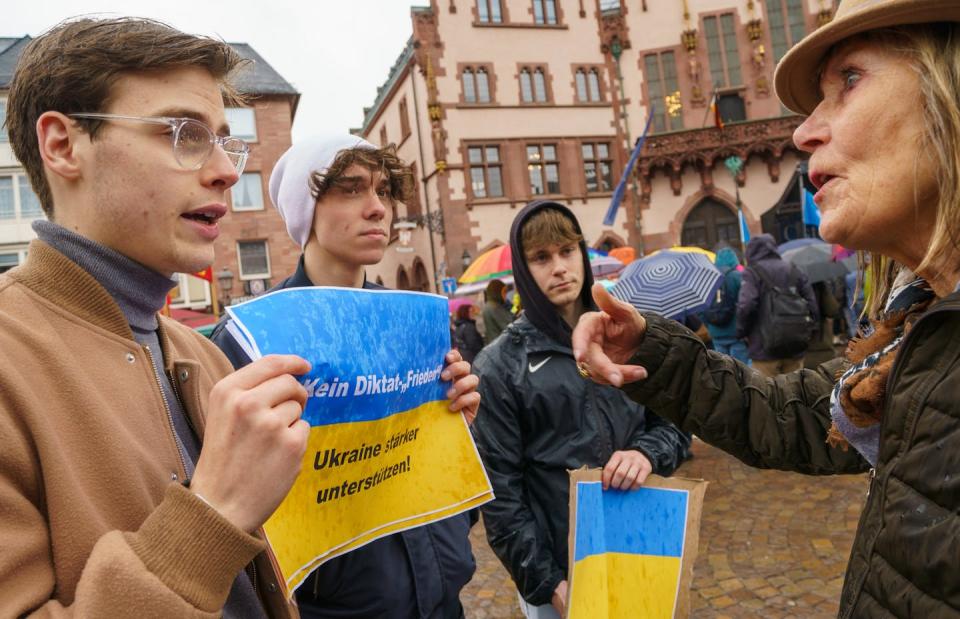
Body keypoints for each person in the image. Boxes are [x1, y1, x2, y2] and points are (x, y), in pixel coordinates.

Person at [571, 2, 960, 616]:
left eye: (849, 81)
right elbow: (803, 417)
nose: (803, 132)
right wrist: (649, 346)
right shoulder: (919, 327)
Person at [0, 17, 309, 616]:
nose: (226, 169)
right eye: (185, 134)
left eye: (226, 140)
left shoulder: (201, 353)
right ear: (63, 145)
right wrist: (212, 513)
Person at [211, 134, 480, 619]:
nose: (378, 208)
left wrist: (456, 429)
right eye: (352, 190)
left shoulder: (412, 321)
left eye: (382, 190)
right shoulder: (253, 337)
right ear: (307, 210)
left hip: (442, 599)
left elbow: (439, 483)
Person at [471, 201, 690, 619]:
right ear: (523, 268)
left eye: (567, 251)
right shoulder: (501, 365)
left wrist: (645, 453)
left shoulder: (623, 334)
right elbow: (500, 494)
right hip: (562, 569)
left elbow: (674, 423)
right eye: (541, 257)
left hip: (639, 543)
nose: (559, 268)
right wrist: (549, 584)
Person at [736, 234, 818, 376]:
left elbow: (746, 304)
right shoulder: (794, 269)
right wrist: (809, 330)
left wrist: (741, 331)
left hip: (763, 347)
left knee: (767, 394)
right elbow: (812, 304)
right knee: (796, 391)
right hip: (795, 344)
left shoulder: (752, 272)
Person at [703, 246, 748, 363]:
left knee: (723, 370)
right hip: (736, 332)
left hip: (716, 333)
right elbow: (746, 303)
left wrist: (708, 325)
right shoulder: (737, 277)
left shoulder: (708, 278)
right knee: (740, 370)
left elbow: (701, 307)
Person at [481, 278, 513, 345]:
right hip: (501, 345)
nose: (505, 295)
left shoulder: (489, 305)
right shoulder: (495, 307)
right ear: (497, 292)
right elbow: (510, 325)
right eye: (504, 292)